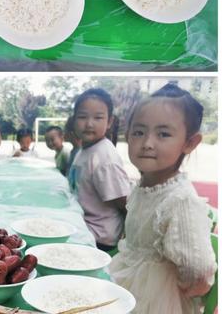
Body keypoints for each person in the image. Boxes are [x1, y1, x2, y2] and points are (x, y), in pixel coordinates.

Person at [110, 84, 217, 313]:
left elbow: (198, 268)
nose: (147, 143)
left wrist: (170, 288)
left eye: (163, 134)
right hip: (126, 280)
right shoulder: (143, 187)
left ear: (189, 143)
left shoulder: (180, 200)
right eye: (139, 132)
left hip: (159, 300)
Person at [69, 88, 131, 251]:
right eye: (82, 117)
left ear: (109, 121)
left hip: (98, 238)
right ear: (74, 120)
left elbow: (125, 203)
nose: (89, 124)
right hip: (83, 228)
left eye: (98, 117)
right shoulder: (85, 149)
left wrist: (129, 240)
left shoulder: (104, 157)